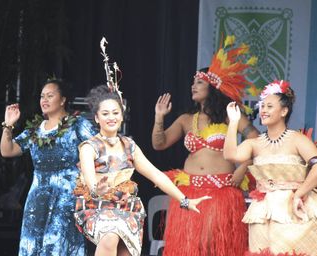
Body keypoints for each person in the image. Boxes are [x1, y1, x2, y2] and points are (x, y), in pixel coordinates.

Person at [73, 84, 211, 256]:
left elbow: (157, 176)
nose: (111, 117)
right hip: (97, 207)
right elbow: (90, 182)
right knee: (109, 237)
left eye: (115, 113)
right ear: (96, 118)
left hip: (126, 208)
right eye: (105, 113)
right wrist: (97, 189)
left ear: (122, 116)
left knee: (125, 252)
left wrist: (185, 201)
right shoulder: (89, 147)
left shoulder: (129, 146)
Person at [152, 35, 260, 255]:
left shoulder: (231, 117)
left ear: (213, 86)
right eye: (193, 82)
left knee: (212, 245)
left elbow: (256, 141)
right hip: (189, 189)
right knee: (190, 247)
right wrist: (159, 117)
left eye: (199, 82)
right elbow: (159, 144)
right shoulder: (185, 119)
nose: (193, 86)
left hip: (221, 191)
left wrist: (243, 168)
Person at [0, 79, 97, 256]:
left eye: (50, 95)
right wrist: (8, 125)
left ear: (62, 100)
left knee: (59, 245)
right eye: (42, 96)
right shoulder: (35, 129)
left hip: (66, 198)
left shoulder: (78, 124)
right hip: (37, 199)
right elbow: (8, 150)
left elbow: (100, 149)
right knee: (34, 244)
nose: (44, 100)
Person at [224, 80, 317, 255]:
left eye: (269, 106)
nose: (263, 110)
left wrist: (299, 193)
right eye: (262, 106)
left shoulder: (297, 139)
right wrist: (234, 123)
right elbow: (231, 155)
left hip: (293, 208)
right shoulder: (254, 143)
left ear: (284, 111)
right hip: (263, 209)